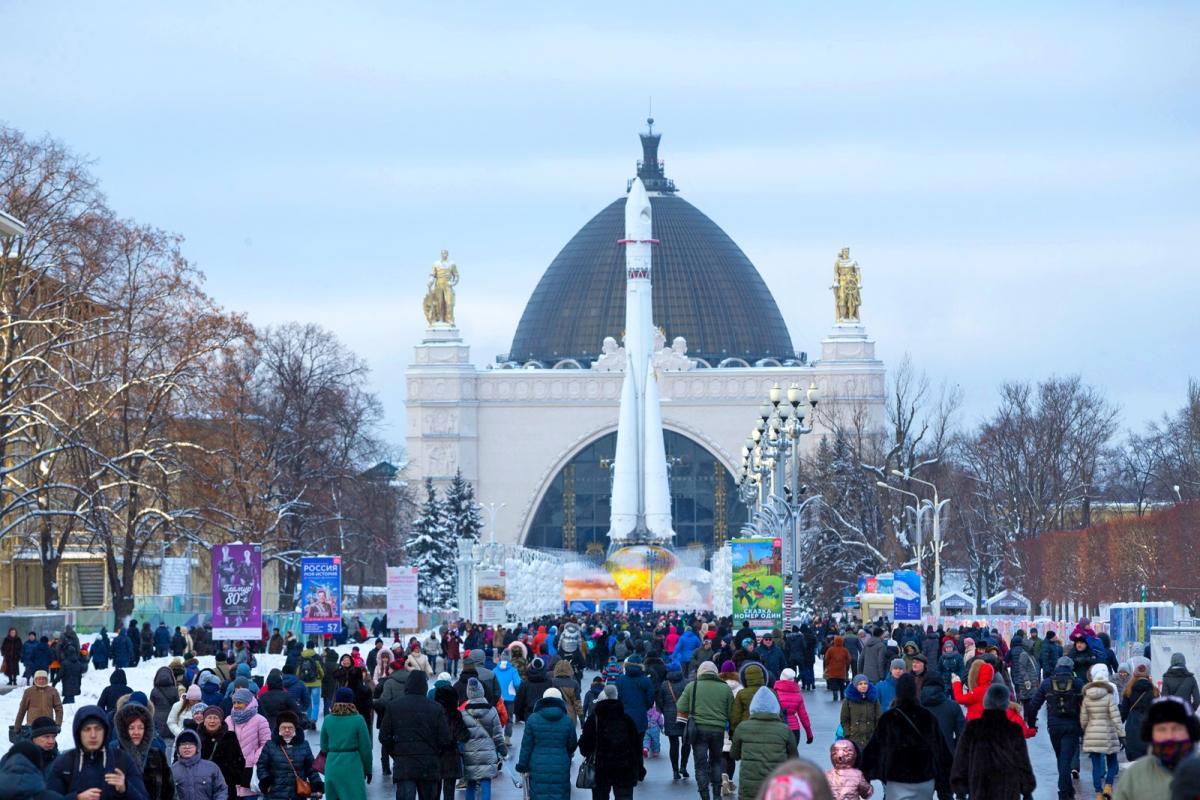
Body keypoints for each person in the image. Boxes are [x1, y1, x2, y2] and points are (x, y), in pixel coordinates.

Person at [862, 673, 952, 799]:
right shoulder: (928, 717)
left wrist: (865, 775)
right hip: (924, 778)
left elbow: (873, 750)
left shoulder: (889, 718)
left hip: (896, 778)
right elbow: (941, 752)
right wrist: (945, 788)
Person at [950, 684, 1036, 800]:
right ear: (1006, 703)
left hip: (979, 790)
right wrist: (1027, 791)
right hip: (1007, 790)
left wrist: (960, 791)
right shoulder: (1013, 730)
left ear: (986, 701)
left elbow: (962, 761)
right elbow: (1022, 762)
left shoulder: (973, 728)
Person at [46, 704, 150, 800]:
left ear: (105, 731)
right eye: (87, 729)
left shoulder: (122, 759)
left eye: (98, 729)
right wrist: (76, 798)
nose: (93, 735)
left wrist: (125, 789)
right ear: (78, 733)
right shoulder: (65, 762)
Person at [1113, 696, 1200, 800]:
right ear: (1151, 734)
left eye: (1177, 728)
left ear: (1190, 731)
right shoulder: (1135, 774)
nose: (1169, 736)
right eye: (1162, 729)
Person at [381, 671, 451, 800]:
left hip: (404, 764)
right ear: (425, 686)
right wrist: (434, 752)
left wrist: (396, 752)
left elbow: (384, 736)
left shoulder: (394, 706)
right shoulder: (435, 708)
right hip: (429, 765)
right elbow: (445, 738)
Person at [580, 685, 645, 800]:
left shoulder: (593, 720)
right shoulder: (627, 720)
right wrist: (640, 769)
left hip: (600, 769)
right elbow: (636, 747)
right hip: (624, 769)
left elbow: (584, 747)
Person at [731, 687, 797, 800]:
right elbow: (794, 758)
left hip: (749, 787)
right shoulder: (785, 730)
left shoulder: (742, 727)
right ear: (775, 708)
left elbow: (734, 755)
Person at [517, 687, 578, 800]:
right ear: (560, 701)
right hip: (561, 763)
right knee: (560, 793)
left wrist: (522, 765)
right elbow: (572, 744)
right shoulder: (567, 720)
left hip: (537, 764)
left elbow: (526, 746)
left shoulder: (533, 719)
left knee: (539, 794)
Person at [115, 694, 174, 800]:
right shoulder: (113, 753)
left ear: (146, 729)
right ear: (124, 729)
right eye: (131, 728)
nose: (136, 732)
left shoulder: (156, 754)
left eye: (140, 727)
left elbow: (168, 791)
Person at [255, 711, 321, 800]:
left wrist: (317, 786)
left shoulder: (304, 745)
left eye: (290, 727)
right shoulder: (270, 745)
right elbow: (261, 765)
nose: (287, 730)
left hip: (297, 794)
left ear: (295, 729)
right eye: (283, 727)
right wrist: (266, 782)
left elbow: (311, 768)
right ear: (279, 729)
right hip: (274, 793)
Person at [320, 687, 373, 800]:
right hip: (352, 764)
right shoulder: (358, 720)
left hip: (332, 765)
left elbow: (323, 746)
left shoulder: (328, 719)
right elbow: (366, 748)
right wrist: (368, 769)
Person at [1082, 664, 1125, 799]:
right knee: (1112, 762)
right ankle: (1108, 785)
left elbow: (1084, 717)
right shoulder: (1111, 690)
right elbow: (1115, 714)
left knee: (1095, 765)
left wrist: (1086, 730)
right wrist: (1121, 733)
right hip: (1109, 731)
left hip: (1093, 731)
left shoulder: (1087, 693)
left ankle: (1098, 793)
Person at [461, 678, 506, 800]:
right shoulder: (491, 710)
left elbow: (460, 735)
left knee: (470, 784)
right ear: (482, 691)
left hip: (469, 754)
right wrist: (503, 751)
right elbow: (497, 735)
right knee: (486, 783)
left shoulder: (463, 712)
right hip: (487, 753)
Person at [226, 689, 271, 800]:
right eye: (234, 702)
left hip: (250, 771)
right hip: (231, 771)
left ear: (248, 703)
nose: (236, 705)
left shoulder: (260, 720)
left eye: (239, 702)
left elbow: (266, 743)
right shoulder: (228, 720)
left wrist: (253, 759)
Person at [434, 683, 469, 800]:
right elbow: (464, 736)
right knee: (449, 793)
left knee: (434, 792)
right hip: (451, 757)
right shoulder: (455, 714)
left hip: (435, 756)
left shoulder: (433, 713)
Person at [171, 729, 229, 800]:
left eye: (190, 744)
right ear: (178, 748)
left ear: (197, 747)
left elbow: (221, 789)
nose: (187, 747)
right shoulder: (172, 770)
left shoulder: (211, 767)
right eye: (183, 744)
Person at [1122, 660, 1159, 761]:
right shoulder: (1155, 691)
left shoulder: (1128, 690)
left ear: (1134, 675)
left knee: (1134, 760)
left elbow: (1123, 712)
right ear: (1147, 676)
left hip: (1132, 726)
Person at [658, 665, 691, 780]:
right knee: (686, 742)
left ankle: (675, 771)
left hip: (670, 715)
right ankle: (683, 766)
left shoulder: (664, 684)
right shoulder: (687, 683)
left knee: (673, 744)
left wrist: (665, 711)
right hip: (685, 715)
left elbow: (660, 701)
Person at [840, 675, 881, 758]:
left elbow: (879, 718)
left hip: (870, 738)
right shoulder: (848, 700)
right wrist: (848, 734)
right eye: (860, 684)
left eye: (865, 683)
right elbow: (844, 719)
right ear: (855, 685)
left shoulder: (874, 699)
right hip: (855, 738)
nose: (863, 686)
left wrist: (877, 733)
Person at [615, 658, 655, 740]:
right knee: (639, 743)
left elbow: (616, 698)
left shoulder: (620, 679)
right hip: (641, 717)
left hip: (624, 716)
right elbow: (650, 700)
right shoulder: (646, 680)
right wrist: (645, 707)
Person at [773, 669, 813, 746]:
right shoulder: (798, 696)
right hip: (794, 730)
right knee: (792, 756)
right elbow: (803, 717)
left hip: (778, 728)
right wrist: (809, 734)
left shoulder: (774, 694)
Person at [824, 637, 851, 702]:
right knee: (841, 683)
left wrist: (828, 665)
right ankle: (842, 695)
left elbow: (826, 658)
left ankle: (835, 693)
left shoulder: (831, 650)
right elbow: (849, 659)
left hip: (832, 670)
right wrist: (846, 665)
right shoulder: (845, 650)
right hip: (841, 670)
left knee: (833, 682)